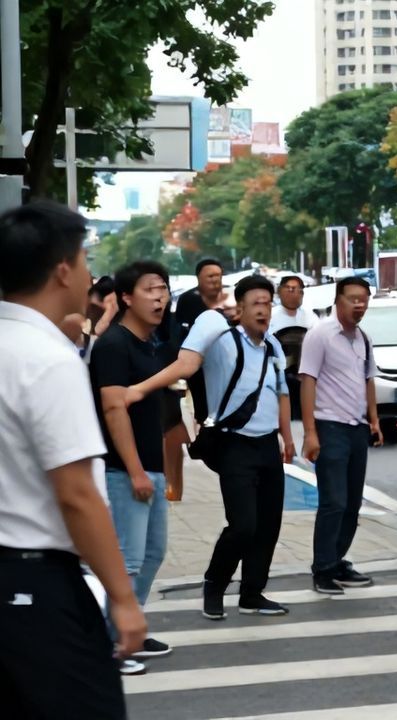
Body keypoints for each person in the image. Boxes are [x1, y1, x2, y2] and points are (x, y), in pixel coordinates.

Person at [0, 200, 145, 718]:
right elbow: (78, 494)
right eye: (83, 258)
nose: (89, 273)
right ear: (62, 268)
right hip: (37, 584)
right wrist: (123, 598)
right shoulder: (48, 358)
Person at [129, 275, 295, 620]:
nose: (263, 310)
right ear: (241, 309)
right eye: (256, 303)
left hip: (267, 445)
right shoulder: (223, 342)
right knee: (243, 525)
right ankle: (214, 584)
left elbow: (281, 393)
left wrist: (288, 437)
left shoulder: (274, 347)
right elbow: (188, 359)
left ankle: (252, 593)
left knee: (268, 525)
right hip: (235, 445)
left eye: (267, 302)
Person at [90, 261, 176, 672]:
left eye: (164, 289)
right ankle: (111, 641)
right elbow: (113, 407)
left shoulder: (150, 343)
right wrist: (136, 470)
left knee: (154, 552)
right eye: (151, 289)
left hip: (150, 466)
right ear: (126, 297)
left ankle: (130, 628)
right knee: (128, 559)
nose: (161, 297)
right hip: (125, 470)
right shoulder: (114, 345)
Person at [299, 277, 382, 595]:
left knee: (351, 503)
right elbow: (308, 380)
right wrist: (310, 432)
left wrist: (374, 419)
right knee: (333, 502)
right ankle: (322, 569)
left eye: (364, 299)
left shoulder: (363, 337)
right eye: (353, 299)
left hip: (356, 428)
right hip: (329, 426)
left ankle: (336, 560)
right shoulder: (320, 334)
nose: (359, 304)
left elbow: (368, 378)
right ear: (338, 300)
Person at [173, 258, 227, 423]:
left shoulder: (230, 299)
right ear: (199, 278)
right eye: (210, 276)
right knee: (202, 407)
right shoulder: (188, 299)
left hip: (225, 361)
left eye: (218, 275)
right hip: (198, 363)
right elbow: (180, 330)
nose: (215, 280)